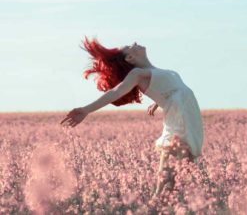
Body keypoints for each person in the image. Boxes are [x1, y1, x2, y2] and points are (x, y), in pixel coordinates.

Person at [60, 36, 204, 197]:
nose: (135, 43)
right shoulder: (138, 74)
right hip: (180, 128)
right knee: (165, 190)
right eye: (130, 46)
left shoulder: (157, 72)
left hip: (190, 125)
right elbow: (117, 91)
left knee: (178, 189)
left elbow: (174, 91)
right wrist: (87, 109)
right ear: (130, 58)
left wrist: (159, 102)